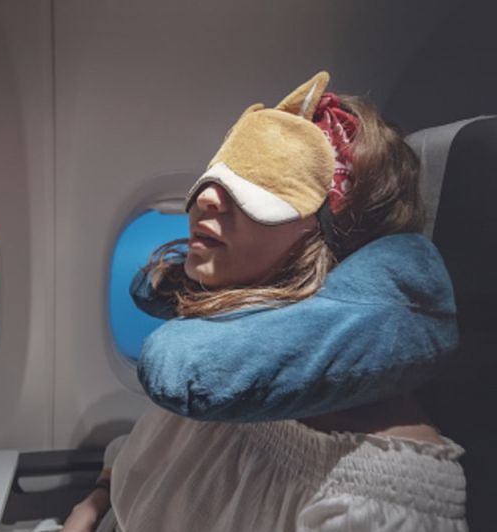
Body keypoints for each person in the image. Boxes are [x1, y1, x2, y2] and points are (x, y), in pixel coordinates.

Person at [60, 72, 467, 531]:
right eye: (218, 173)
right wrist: (92, 507)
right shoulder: (225, 367)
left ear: (334, 238)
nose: (207, 198)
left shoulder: (375, 498)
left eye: (265, 187)